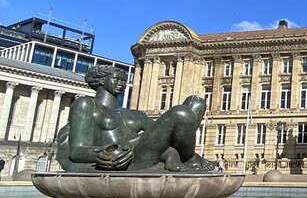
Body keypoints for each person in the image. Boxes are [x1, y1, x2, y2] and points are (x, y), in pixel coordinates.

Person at [57, 65, 215, 172]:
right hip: (124, 157)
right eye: (116, 80)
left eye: (124, 81)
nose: (121, 84)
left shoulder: (132, 113)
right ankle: (191, 159)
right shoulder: (86, 104)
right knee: (181, 114)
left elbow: (162, 135)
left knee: (196, 104)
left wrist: (170, 151)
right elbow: (76, 151)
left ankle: (186, 158)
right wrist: (104, 155)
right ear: (101, 81)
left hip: (141, 150)